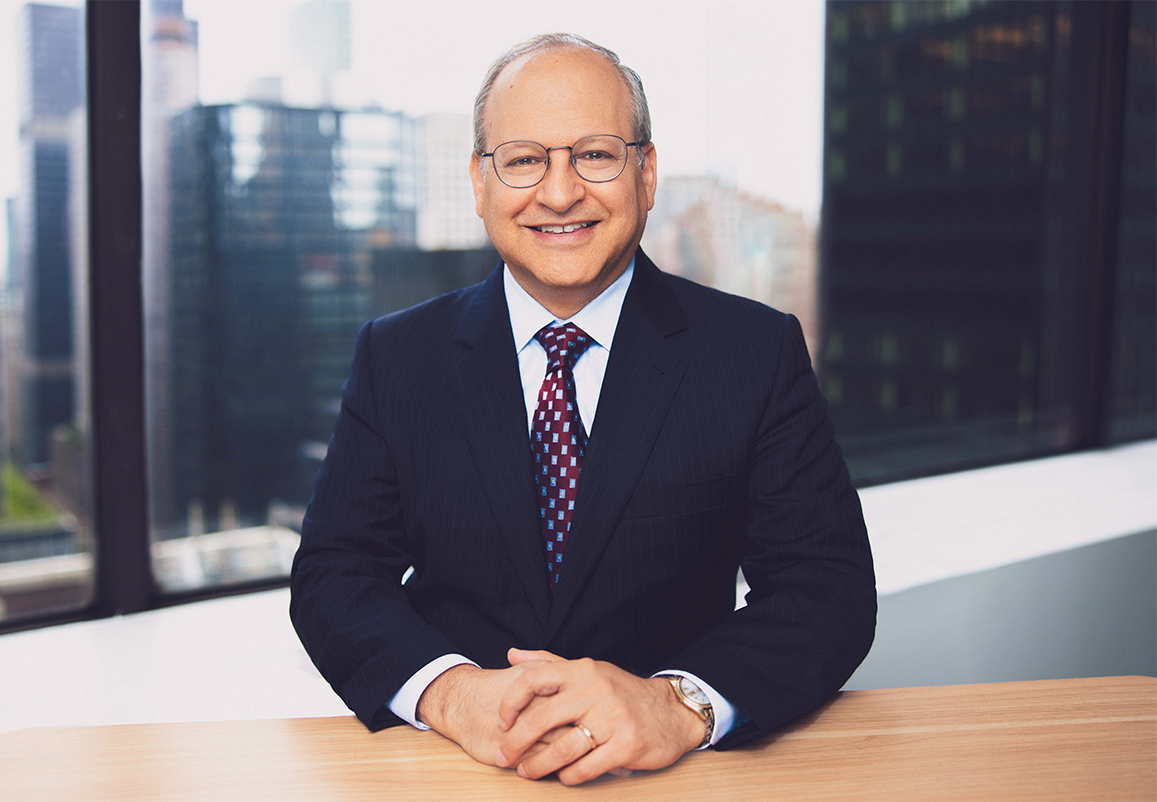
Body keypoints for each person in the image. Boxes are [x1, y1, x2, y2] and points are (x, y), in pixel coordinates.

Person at [290, 32, 876, 786]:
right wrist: (451, 693)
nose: (559, 193)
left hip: (673, 777)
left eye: (594, 155)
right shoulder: (398, 356)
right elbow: (336, 573)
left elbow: (824, 587)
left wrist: (679, 704)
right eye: (524, 159)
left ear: (647, 172)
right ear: (479, 180)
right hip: (455, 771)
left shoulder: (753, 352)